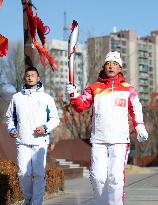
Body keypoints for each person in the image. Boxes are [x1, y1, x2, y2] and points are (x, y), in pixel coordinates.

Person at [66, 51, 148, 205]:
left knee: (115, 178)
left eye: (115, 64)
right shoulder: (94, 88)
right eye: (108, 63)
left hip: (120, 140)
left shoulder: (128, 89)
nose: (111, 66)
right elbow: (80, 105)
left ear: (120, 68)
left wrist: (140, 126)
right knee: (97, 177)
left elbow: (136, 109)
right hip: (99, 140)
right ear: (104, 66)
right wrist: (74, 95)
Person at [6, 66, 60, 205]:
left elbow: (55, 119)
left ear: (38, 78)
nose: (30, 77)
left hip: (40, 142)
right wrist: (12, 129)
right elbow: (10, 117)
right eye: (27, 75)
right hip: (22, 141)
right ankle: (28, 199)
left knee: (39, 174)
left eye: (33, 75)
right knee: (23, 173)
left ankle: (36, 202)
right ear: (25, 77)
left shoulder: (46, 98)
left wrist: (45, 127)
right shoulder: (17, 97)